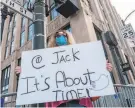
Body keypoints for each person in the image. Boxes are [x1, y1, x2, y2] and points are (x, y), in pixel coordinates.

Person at [15, 30, 113, 107]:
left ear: (68, 38)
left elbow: (92, 76)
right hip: (57, 104)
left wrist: (103, 69)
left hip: (80, 103)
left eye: (64, 35)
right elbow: (39, 76)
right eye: (57, 36)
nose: (61, 37)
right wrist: (25, 72)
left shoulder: (79, 56)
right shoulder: (48, 58)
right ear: (54, 39)